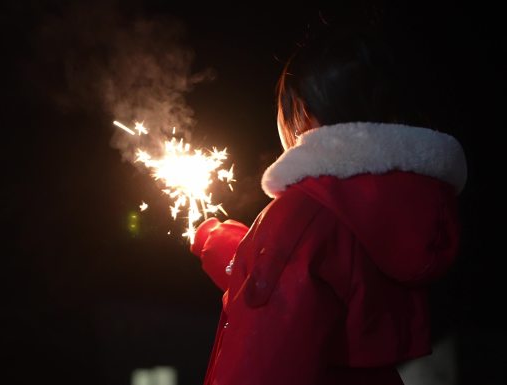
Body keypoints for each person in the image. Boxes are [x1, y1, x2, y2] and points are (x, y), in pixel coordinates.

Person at [189, 23, 467, 385]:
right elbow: (335, 289)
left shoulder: (303, 212)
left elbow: (264, 357)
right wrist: (246, 257)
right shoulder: (404, 206)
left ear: (302, 111)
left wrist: (266, 255)